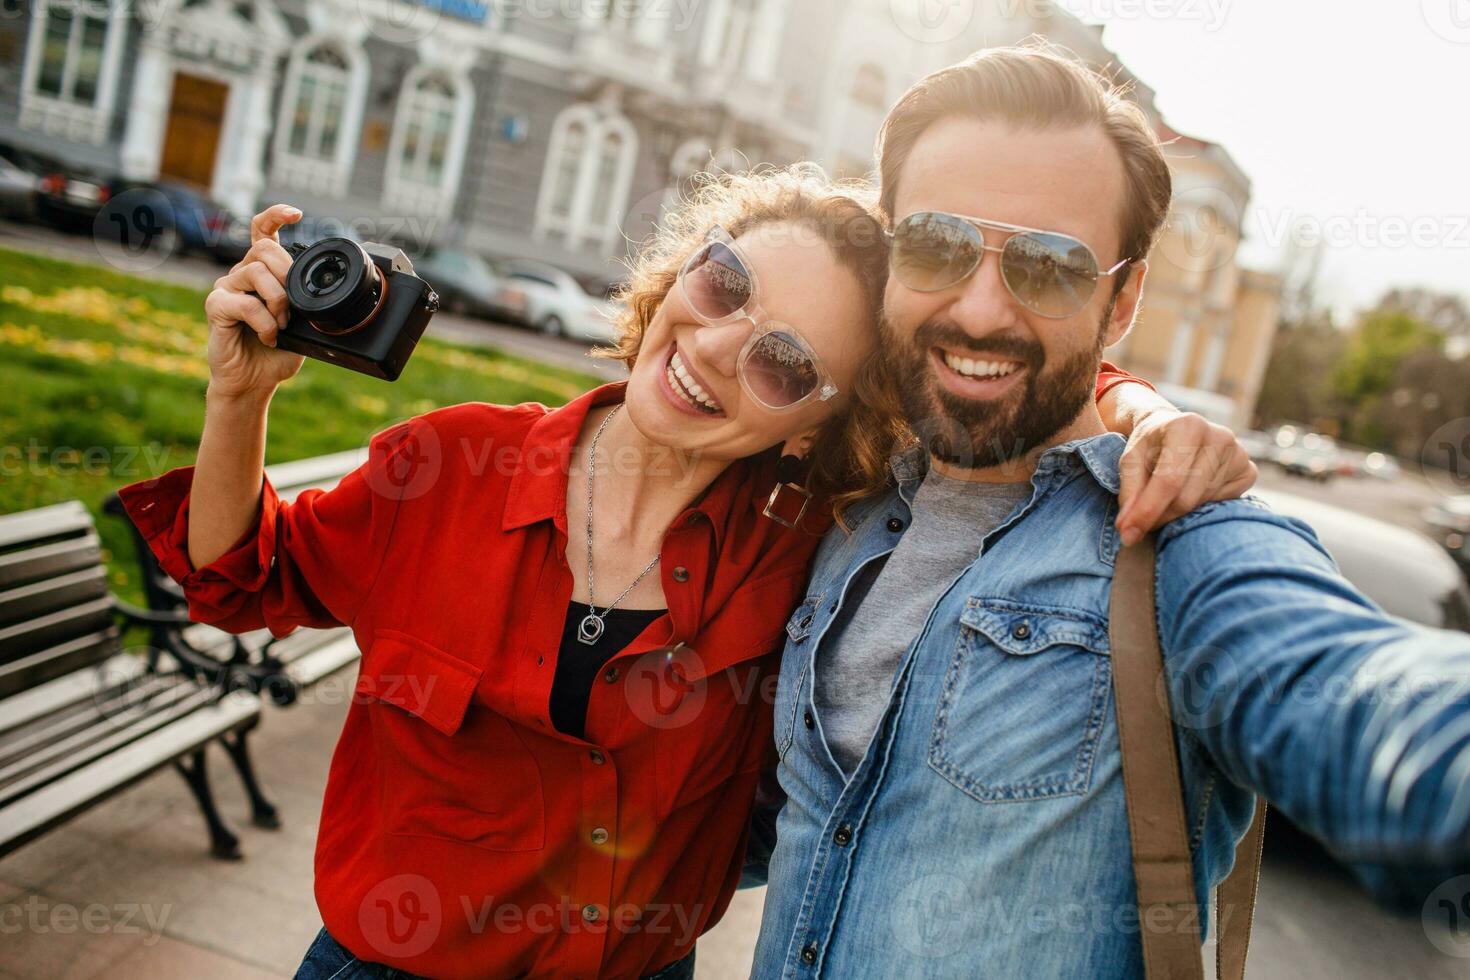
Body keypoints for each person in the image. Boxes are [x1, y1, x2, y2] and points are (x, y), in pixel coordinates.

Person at [118, 167, 1246, 979]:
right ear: (674, 279)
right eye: (722, 285)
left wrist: (1149, 409)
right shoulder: (451, 463)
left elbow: (1012, 386)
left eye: (786, 360)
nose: (715, 347)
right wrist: (240, 396)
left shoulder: (811, 544)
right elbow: (240, 574)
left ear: (814, 426)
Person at [748, 43, 1470, 980]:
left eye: (1049, 267)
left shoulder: (1185, 543)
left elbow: (1354, 696)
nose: (978, 309)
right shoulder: (841, 501)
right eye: (936, 244)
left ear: (1122, 298)